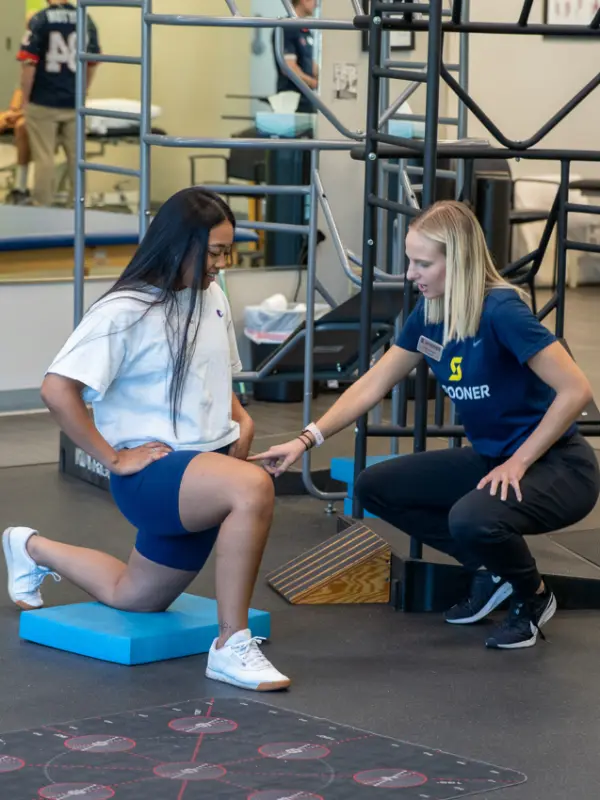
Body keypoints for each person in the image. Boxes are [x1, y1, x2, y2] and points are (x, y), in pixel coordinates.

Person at [251, 200, 600, 650]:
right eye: (410, 261)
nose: (411, 274)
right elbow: (373, 383)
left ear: (457, 261)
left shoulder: (502, 312)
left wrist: (519, 462)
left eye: (422, 263)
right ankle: (489, 570)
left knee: (471, 518)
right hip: (495, 458)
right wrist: (306, 439)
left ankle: (532, 597)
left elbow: (577, 390)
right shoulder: (430, 313)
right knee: (375, 485)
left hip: (559, 467)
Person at [2, 187, 290, 693]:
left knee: (134, 596)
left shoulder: (213, 296)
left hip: (206, 469)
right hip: (155, 478)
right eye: (216, 252)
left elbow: (218, 377)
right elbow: (57, 389)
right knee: (252, 489)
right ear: (181, 245)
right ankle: (231, 644)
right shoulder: (124, 310)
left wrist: (240, 420)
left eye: (229, 251)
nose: (223, 263)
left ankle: (29, 547)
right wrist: (113, 457)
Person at [17, 0, 101, 207]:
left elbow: (29, 64)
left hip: (43, 101)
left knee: (44, 158)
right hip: (73, 101)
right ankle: (79, 209)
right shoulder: (86, 19)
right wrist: (83, 92)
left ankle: (42, 208)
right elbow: (92, 61)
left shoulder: (40, 19)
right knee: (77, 159)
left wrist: (25, 99)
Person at [273, 0, 319, 114]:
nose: (316, 4)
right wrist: (314, 83)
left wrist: (324, 79)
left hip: (307, 98)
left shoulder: (304, 30)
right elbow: (289, 68)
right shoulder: (287, 27)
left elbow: (309, 60)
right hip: (291, 101)